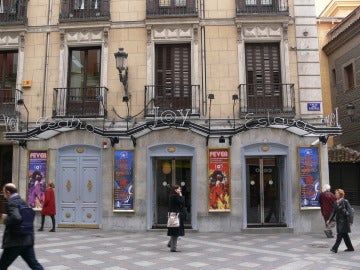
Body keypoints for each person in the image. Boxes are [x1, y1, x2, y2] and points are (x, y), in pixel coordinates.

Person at [0, 183, 44, 269]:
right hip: (27, 239)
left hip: (15, 242)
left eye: (4, 192)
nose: (4, 195)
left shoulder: (12, 202)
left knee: (1, 266)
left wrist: (5, 219)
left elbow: (16, 218)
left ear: (8, 192)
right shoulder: (22, 201)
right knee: (35, 265)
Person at [327, 189, 355, 253]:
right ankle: (350, 248)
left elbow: (350, 211)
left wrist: (350, 221)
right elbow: (333, 212)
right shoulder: (336, 202)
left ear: (341, 194)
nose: (336, 194)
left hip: (344, 221)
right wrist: (329, 220)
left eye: (337, 193)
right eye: (335, 193)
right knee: (345, 236)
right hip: (339, 221)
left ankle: (334, 248)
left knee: (339, 235)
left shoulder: (345, 201)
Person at [167, 184, 185, 252]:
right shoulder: (174, 196)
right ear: (175, 190)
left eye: (180, 189)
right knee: (175, 231)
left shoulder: (173, 196)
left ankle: (170, 244)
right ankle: (173, 248)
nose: (180, 190)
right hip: (175, 216)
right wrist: (180, 195)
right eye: (178, 189)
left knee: (175, 231)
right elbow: (182, 202)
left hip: (175, 215)